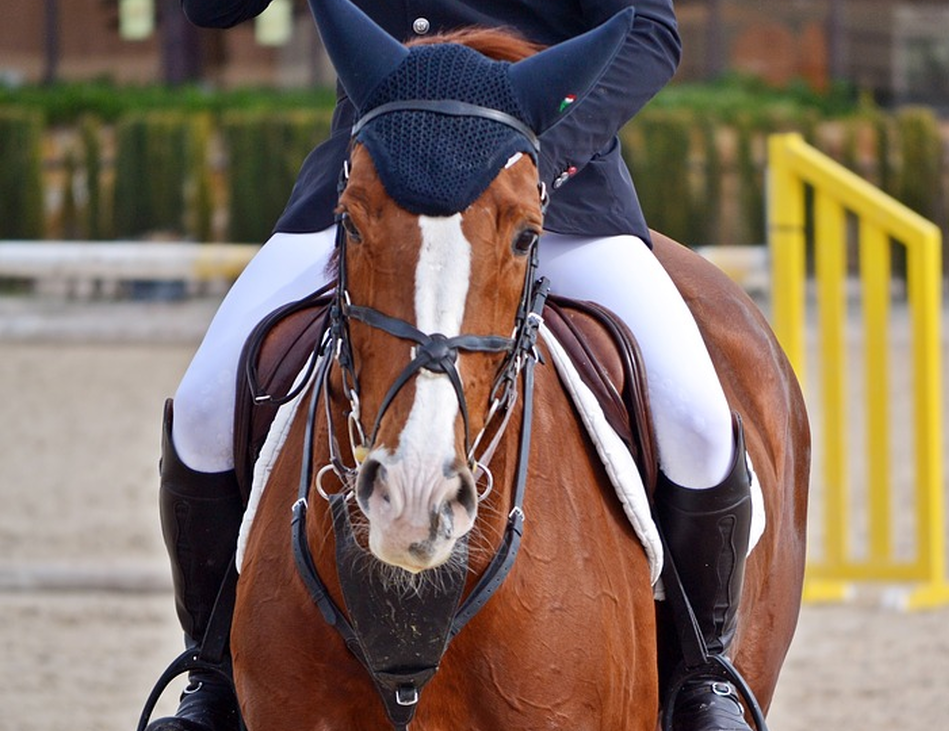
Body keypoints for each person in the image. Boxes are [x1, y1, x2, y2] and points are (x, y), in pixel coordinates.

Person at [147, 0, 757, 730]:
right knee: (206, 410)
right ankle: (210, 672)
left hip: (537, 184)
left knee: (696, 419)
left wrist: (541, 157)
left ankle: (701, 676)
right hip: (381, 186)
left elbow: (650, 30)